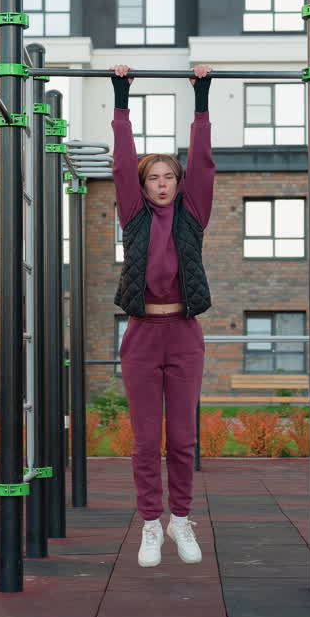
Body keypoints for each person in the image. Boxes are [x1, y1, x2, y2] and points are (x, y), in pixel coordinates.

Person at [111, 64, 215, 568]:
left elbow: (204, 164)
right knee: (146, 439)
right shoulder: (133, 215)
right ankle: (151, 524)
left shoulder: (194, 212)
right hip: (141, 336)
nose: (161, 184)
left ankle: (181, 520)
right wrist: (120, 99)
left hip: (185, 334)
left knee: (183, 438)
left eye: (168, 176)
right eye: (152, 178)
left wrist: (201, 101)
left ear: (177, 182)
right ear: (143, 185)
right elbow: (121, 162)